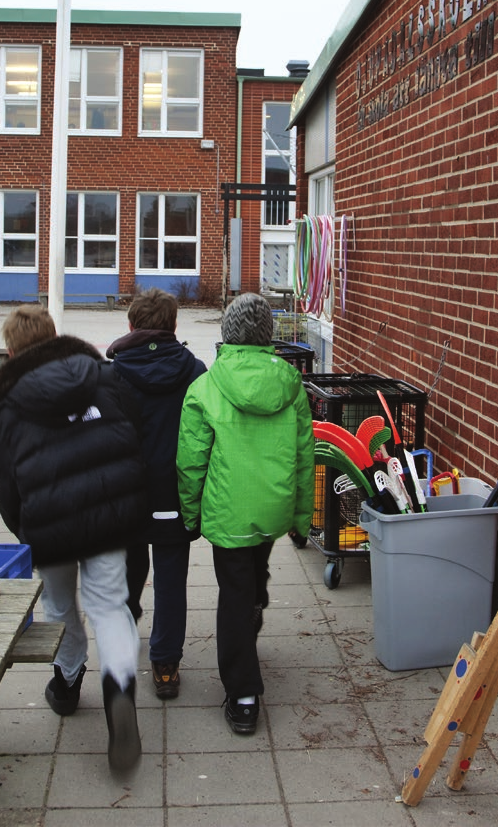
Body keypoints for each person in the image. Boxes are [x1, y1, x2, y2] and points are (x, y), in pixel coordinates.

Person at [0, 304, 148, 773]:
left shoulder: (6, 404)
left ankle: (68, 681)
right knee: (110, 606)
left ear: (11, 351)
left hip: (49, 524)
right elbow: (132, 431)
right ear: (54, 337)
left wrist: (26, 532)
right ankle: (119, 693)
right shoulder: (101, 375)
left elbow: (6, 483)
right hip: (112, 513)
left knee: (58, 607)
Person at [176, 292, 314, 735]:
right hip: (271, 506)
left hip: (228, 508)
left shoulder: (206, 386)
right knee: (255, 569)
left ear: (226, 333)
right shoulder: (291, 383)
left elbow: (192, 461)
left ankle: (244, 693)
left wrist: (190, 513)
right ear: (267, 335)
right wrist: (299, 518)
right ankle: (256, 604)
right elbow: (304, 456)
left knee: (232, 593)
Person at [107, 289, 206, 700]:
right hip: (174, 493)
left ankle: (123, 651)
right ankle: (165, 663)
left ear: (130, 326)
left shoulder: (109, 374)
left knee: (125, 578)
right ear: (174, 326)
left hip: (125, 495)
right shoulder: (195, 370)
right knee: (171, 579)